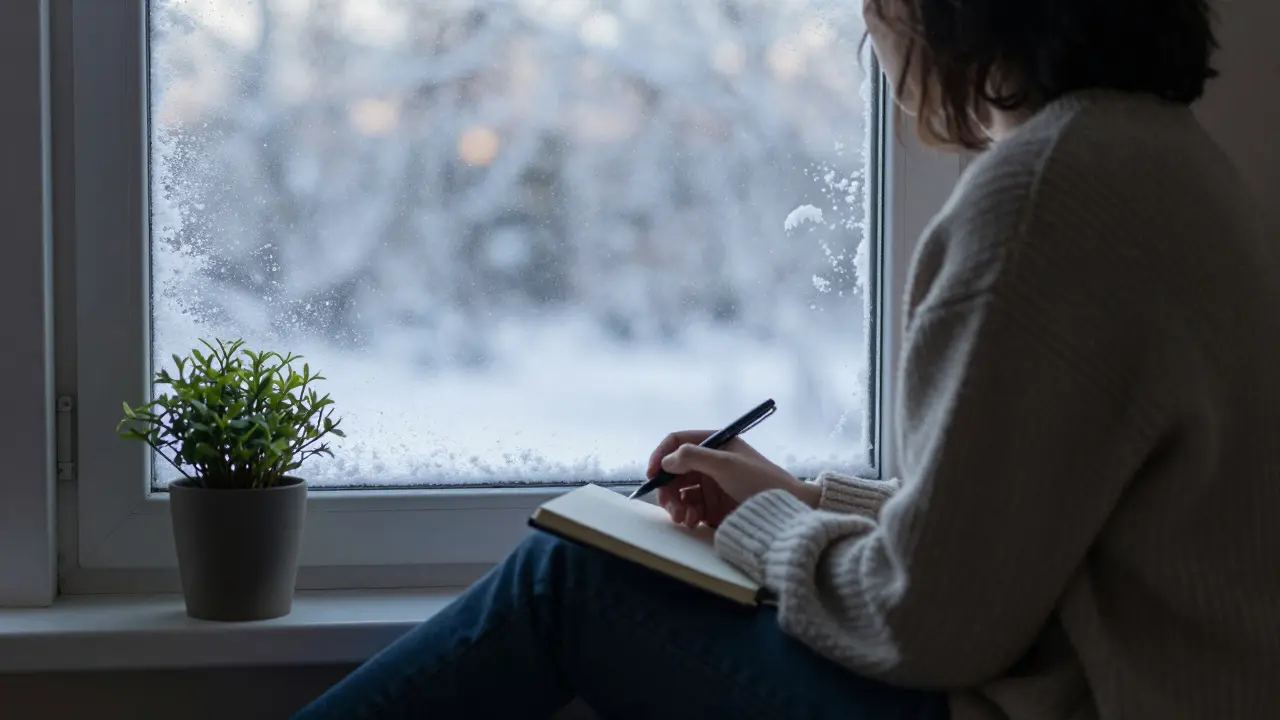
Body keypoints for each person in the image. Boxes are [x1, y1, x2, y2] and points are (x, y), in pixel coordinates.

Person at [296, 0, 1280, 718]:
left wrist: (759, 528)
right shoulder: (1159, 163)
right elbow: (1023, 545)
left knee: (570, 579)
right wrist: (798, 501)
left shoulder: (1039, 197)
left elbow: (924, 625)